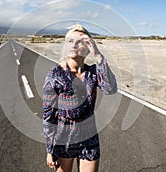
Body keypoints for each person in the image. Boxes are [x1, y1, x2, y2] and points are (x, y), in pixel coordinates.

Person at [42, 24, 117, 172]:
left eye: (80, 41)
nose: (74, 45)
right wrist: (50, 149)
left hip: (89, 138)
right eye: (70, 41)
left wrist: (98, 55)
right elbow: (48, 115)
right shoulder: (55, 75)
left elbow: (110, 89)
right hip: (64, 139)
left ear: (88, 47)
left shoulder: (93, 72)